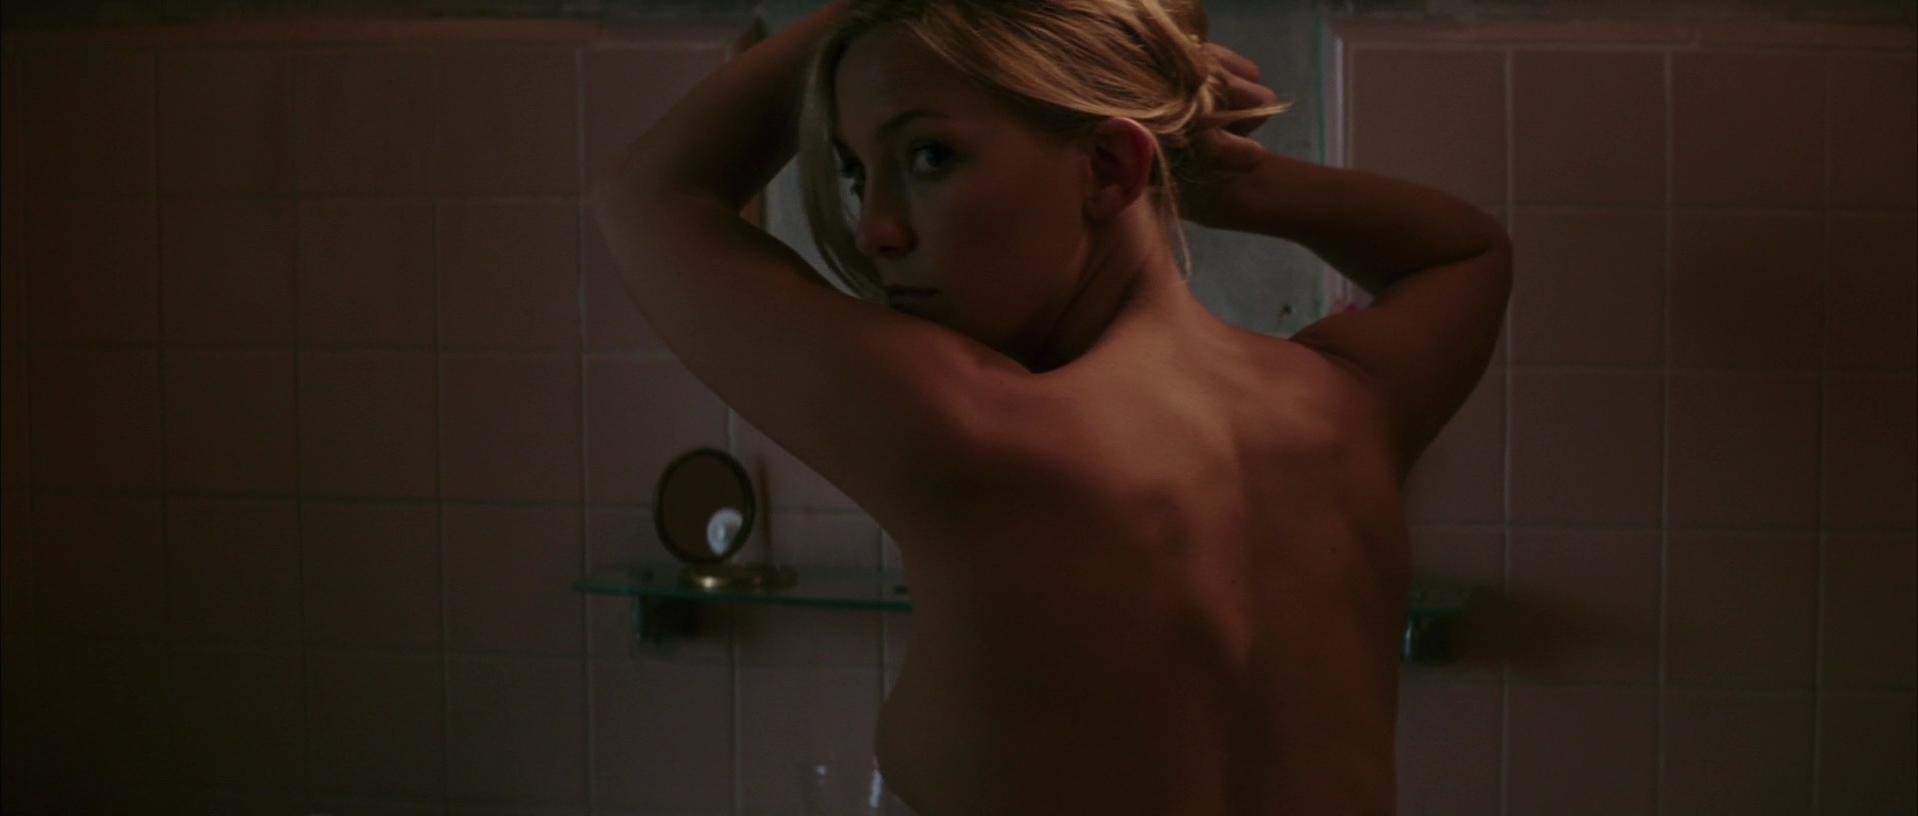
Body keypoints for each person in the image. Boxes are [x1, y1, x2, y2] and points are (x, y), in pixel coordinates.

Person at [592, 1, 1512, 813]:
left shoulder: (980, 433)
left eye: (929, 156)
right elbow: (1464, 254)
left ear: (1109, 168)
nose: (876, 230)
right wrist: (1230, 181)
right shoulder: (1349, 408)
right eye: (857, 173)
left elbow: (652, 196)